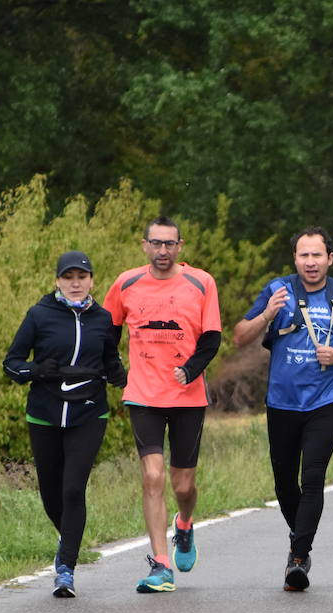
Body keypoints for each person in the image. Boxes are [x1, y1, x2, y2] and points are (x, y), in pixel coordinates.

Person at [232, 227, 333, 590]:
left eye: (317, 255)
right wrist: (267, 314)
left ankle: (298, 556)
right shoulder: (277, 290)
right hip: (282, 402)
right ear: (295, 258)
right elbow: (239, 336)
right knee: (284, 482)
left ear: (330, 259)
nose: (310, 262)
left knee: (313, 478)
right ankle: (301, 539)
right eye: (304, 255)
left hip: (324, 401)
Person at [104, 217, 222, 593]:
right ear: (144, 246)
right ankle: (160, 564)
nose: (162, 251)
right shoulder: (126, 283)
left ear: (180, 247)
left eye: (169, 244)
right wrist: (118, 374)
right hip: (143, 395)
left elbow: (212, 338)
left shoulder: (201, 282)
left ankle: (184, 524)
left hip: (187, 396)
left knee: (182, 484)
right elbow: (107, 332)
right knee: (152, 477)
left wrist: (190, 370)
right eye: (156, 243)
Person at [4, 250, 127, 598]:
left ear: (91, 281)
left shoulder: (103, 319)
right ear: (57, 280)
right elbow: (11, 363)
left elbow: (110, 361)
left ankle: (65, 569)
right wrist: (36, 370)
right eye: (69, 277)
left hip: (89, 412)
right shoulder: (39, 315)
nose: (76, 283)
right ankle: (68, 537)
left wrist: (128, 381)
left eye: (82, 277)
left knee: (74, 488)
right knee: (50, 493)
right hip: (44, 413)